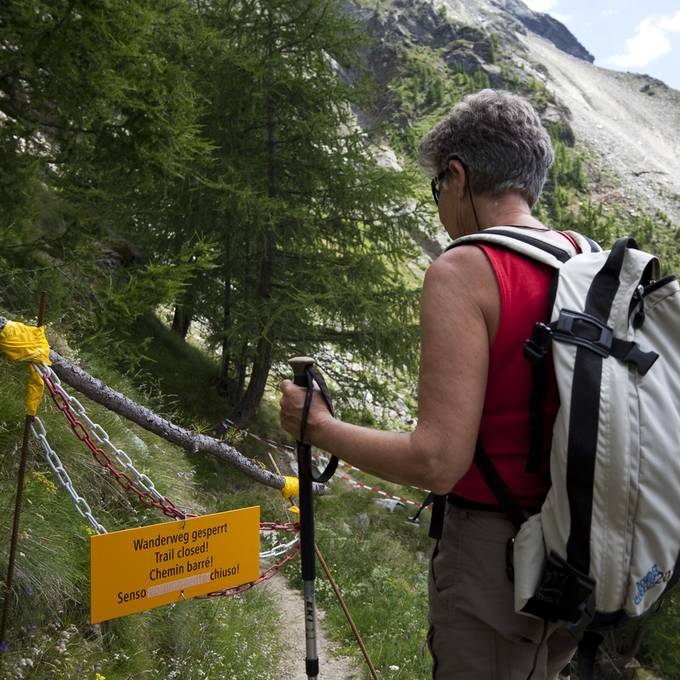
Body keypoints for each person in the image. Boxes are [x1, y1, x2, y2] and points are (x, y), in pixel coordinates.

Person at [279, 89, 577, 679]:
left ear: (458, 176)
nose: (440, 204)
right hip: (579, 550)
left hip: (498, 560)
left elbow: (437, 462)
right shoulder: (581, 261)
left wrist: (320, 427)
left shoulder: (467, 269)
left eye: (437, 186)